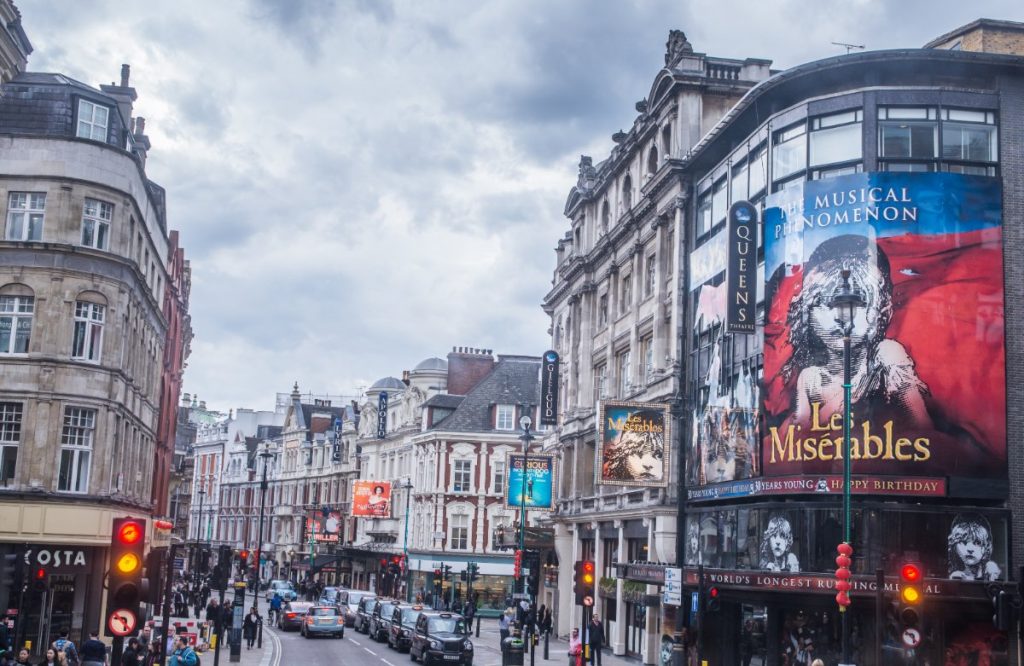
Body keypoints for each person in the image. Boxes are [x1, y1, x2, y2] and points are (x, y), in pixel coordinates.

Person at [948, 513, 1002, 581]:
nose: (970, 549)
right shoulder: (955, 575)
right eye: (964, 542)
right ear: (954, 546)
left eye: (977, 543)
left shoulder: (991, 571)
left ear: (986, 547)